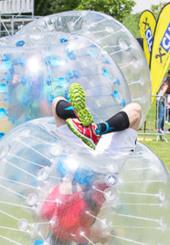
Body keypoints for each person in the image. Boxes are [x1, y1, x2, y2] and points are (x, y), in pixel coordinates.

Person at [40, 83, 141, 244]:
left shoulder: (82, 234)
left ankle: (99, 129)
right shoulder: (47, 213)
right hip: (79, 154)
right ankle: (96, 129)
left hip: (104, 168)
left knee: (135, 111)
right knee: (56, 103)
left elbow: (103, 236)